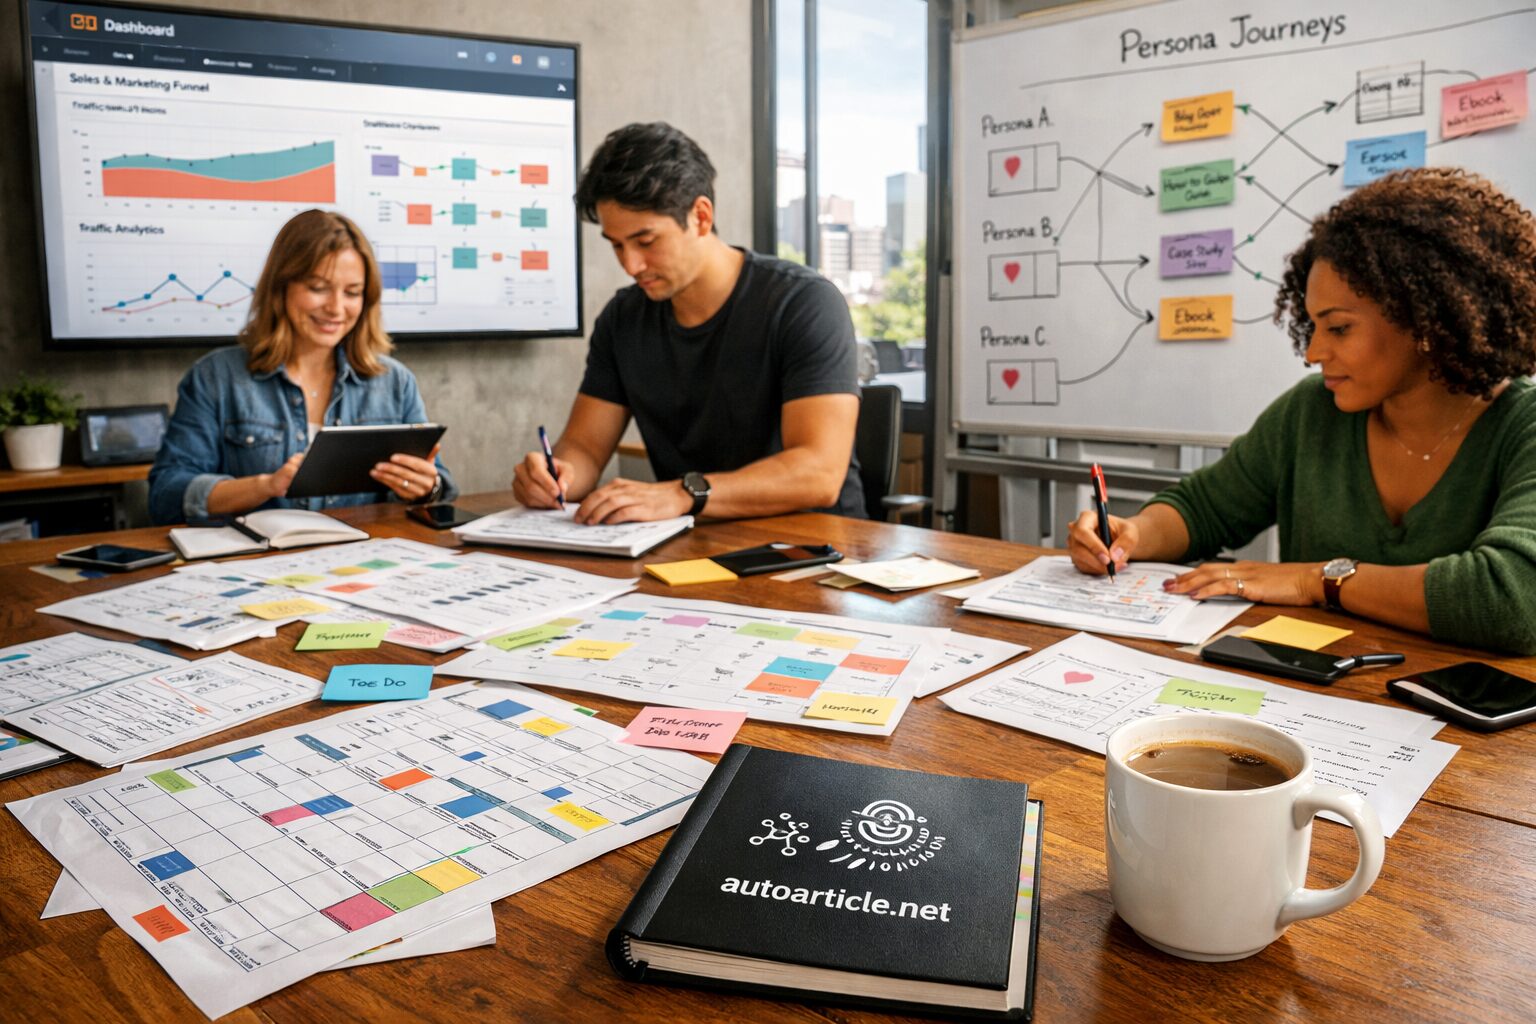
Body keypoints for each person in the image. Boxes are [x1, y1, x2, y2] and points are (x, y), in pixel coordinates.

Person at [1067, 167, 1536, 654]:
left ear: (1425, 322)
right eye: (1311, 325)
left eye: (1337, 329)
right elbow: (1205, 509)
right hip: (1320, 701)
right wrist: (1132, 535)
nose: (1312, 352)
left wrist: (1320, 580)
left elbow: (1514, 599)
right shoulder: (1312, 412)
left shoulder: (1525, 425)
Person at [511, 122, 864, 523]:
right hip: (692, 547)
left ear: (700, 216)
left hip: (815, 552)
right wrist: (557, 477)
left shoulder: (803, 303)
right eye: (616, 245)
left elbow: (818, 473)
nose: (631, 265)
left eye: (646, 242)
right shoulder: (623, 318)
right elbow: (585, 449)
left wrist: (683, 494)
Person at [149, 210, 456, 525]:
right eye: (318, 288)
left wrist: (426, 487)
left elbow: (443, 489)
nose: (336, 308)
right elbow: (166, 494)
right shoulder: (215, 377)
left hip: (363, 559)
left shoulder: (394, 382)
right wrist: (265, 486)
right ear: (281, 287)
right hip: (256, 562)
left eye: (352, 292)